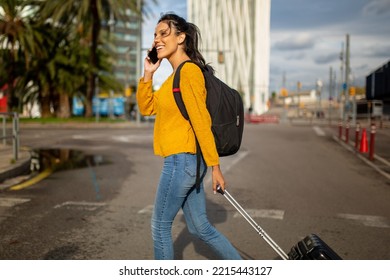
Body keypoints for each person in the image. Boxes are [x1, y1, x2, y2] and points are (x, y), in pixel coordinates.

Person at [136, 13, 242, 260]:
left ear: (181, 37)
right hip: (188, 163)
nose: (156, 40)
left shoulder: (189, 73)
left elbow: (201, 122)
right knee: (199, 227)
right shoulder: (172, 78)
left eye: (163, 33)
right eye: (154, 35)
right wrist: (148, 74)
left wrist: (216, 167)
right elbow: (147, 108)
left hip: (181, 161)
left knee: (159, 226)